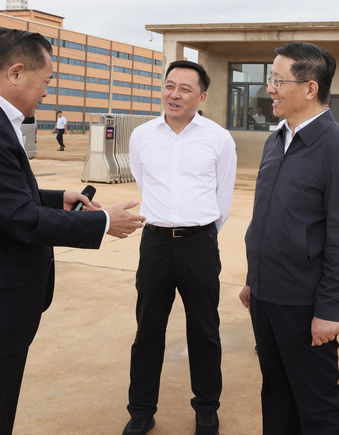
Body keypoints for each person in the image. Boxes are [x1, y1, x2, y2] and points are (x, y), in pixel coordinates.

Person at [0, 28, 146, 434]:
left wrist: (54, 197)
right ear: (16, 73)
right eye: (46, 80)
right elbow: (19, 218)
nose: (47, 91)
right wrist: (102, 222)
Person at [240, 42, 339, 434]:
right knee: (276, 394)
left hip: (305, 302)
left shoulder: (338, 148)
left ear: (310, 88)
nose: (269, 89)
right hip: (266, 294)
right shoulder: (276, 140)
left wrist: (329, 309)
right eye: (270, 79)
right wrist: (254, 278)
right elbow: (267, 220)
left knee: (318, 406)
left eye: (278, 80)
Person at [125, 60, 237, 435]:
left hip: (199, 244)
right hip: (155, 243)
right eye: (169, 86)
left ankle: (206, 408)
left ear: (201, 97)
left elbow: (223, 196)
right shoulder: (142, 135)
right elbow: (144, 183)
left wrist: (200, 231)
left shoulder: (218, 138)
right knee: (148, 330)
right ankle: (141, 411)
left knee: (204, 329)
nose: (174, 94)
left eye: (185, 89)